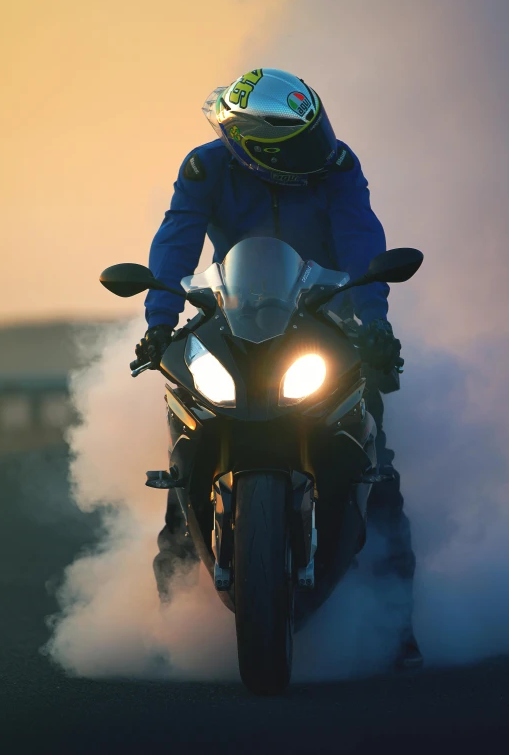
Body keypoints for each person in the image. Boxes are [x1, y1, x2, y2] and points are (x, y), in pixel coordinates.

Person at [135, 68, 423, 670]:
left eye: (314, 134)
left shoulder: (336, 166)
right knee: (186, 446)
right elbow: (176, 241)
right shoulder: (205, 167)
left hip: (324, 313)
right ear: (253, 147)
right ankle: (170, 630)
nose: (315, 153)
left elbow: (360, 237)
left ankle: (399, 630)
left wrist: (375, 324)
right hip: (235, 311)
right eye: (298, 146)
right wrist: (160, 318)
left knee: (377, 468)